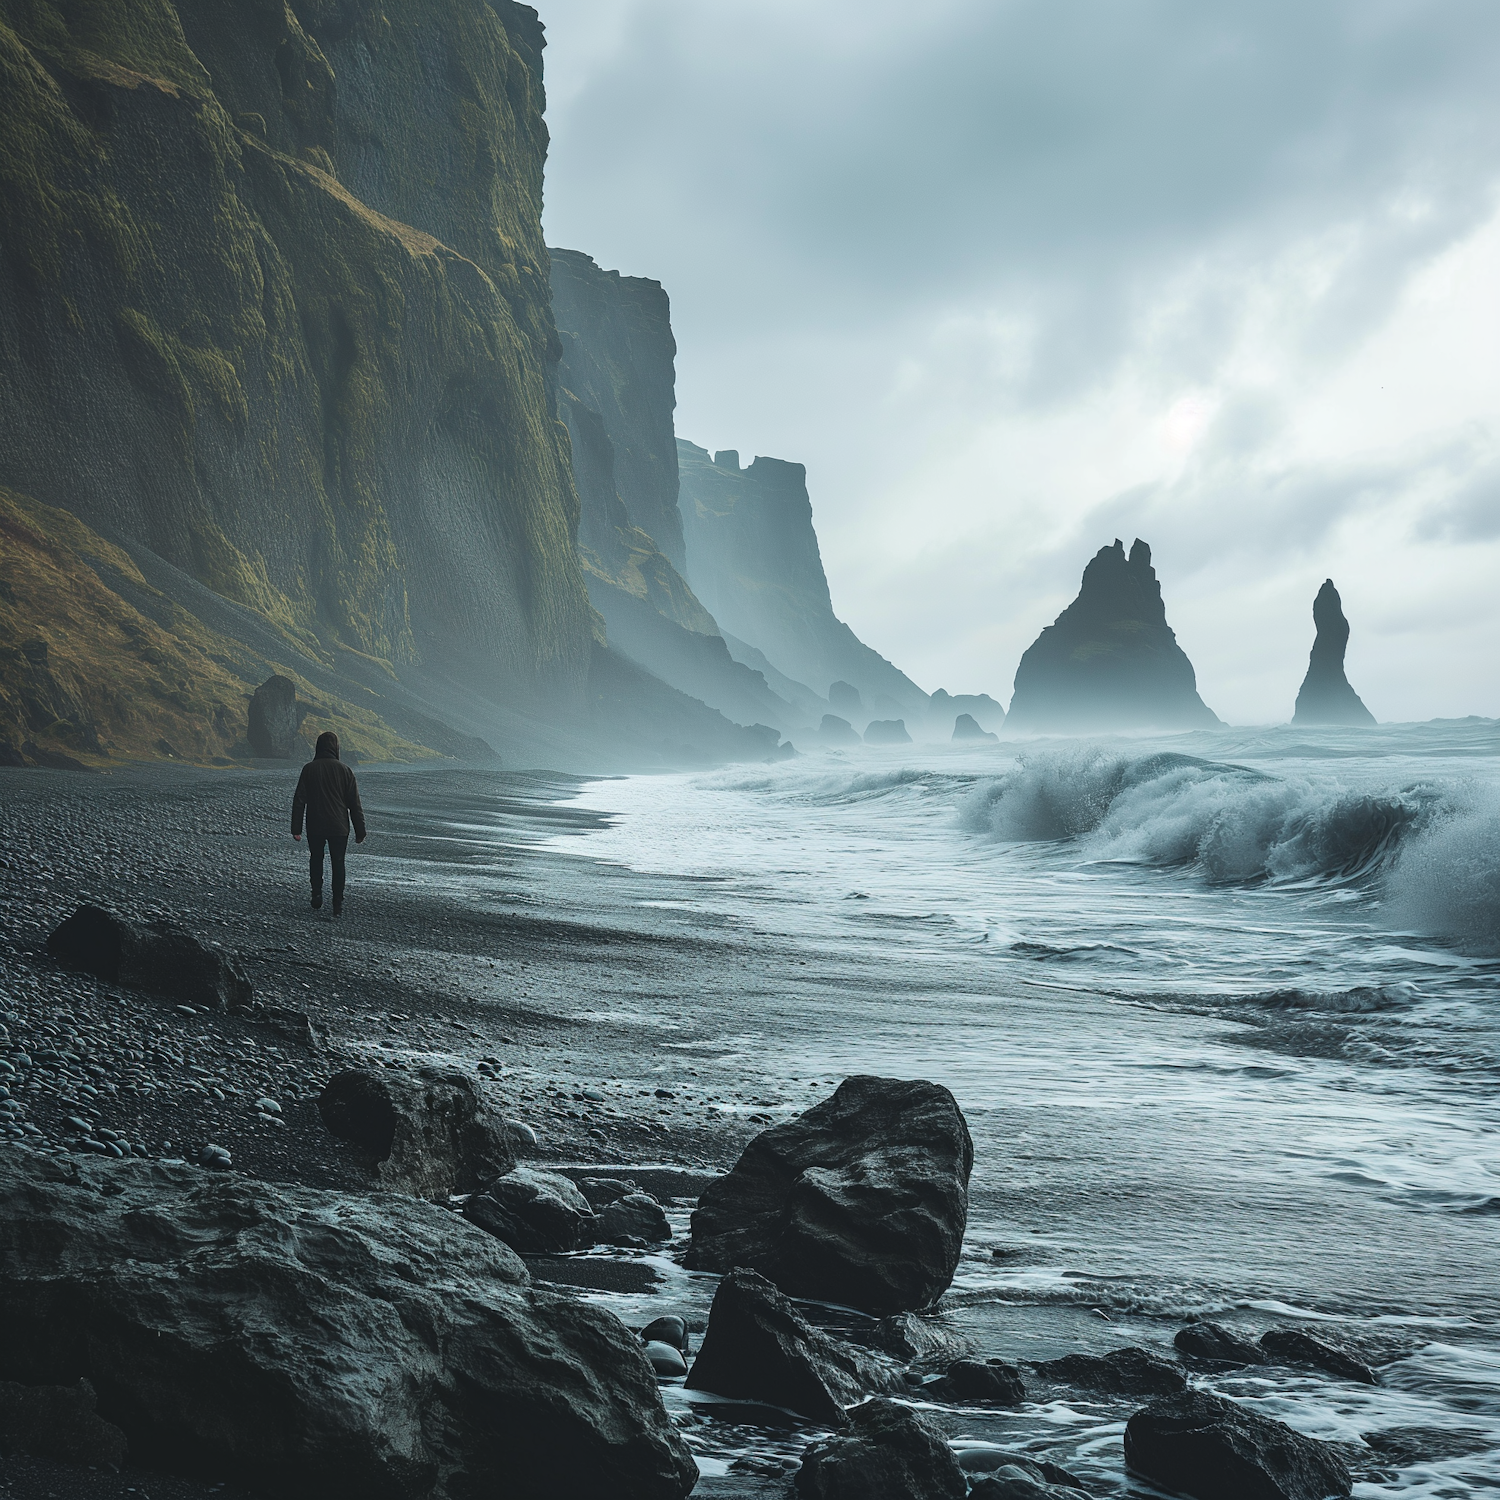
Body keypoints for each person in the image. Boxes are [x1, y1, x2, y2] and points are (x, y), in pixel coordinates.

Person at [291, 731, 366, 915]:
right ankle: (337, 904)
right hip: (339, 826)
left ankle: (316, 893)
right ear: (335, 748)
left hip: (315, 824)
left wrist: (296, 829)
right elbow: (354, 804)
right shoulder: (346, 771)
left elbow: (299, 800)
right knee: (338, 862)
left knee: (316, 858)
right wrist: (360, 830)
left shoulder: (309, 769)